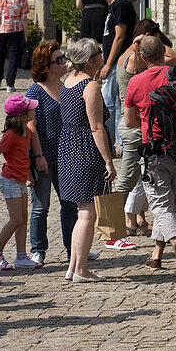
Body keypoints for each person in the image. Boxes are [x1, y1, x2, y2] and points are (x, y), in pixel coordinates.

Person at [124, 35, 176, 273]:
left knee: (160, 206)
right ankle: (157, 255)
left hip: (155, 151)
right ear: (165, 53)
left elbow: (129, 122)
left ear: (141, 57)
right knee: (171, 204)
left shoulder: (135, 82)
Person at [113, 20, 176, 244]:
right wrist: (149, 42)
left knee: (142, 178)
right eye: (156, 37)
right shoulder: (135, 58)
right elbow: (174, 58)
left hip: (131, 124)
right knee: (125, 179)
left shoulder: (127, 55)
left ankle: (136, 221)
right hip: (134, 127)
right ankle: (111, 231)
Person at [58, 38, 116, 282]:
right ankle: (81, 269)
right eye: (100, 52)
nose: (104, 54)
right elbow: (96, 127)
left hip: (69, 147)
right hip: (85, 149)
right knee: (87, 214)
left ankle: (73, 266)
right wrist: (109, 161)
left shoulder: (68, 81)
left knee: (82, 211)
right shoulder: (90, 86)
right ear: (91, 60)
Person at [25, 40, 78, 266]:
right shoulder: (34, 91)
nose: (64, 62)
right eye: (59, 60)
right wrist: (38, 156)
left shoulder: (66, 85)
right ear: (46, 66)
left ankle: (73, 249)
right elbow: (30, 127)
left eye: (63, 57)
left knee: (70, 205)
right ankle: (38, 250)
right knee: (40, 207)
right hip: (43, 156)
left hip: (65, 155)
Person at [0, 93, 41, 271]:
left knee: (23, 218)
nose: (34, 109)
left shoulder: (26, 131)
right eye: (31, 109)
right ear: (22, 116)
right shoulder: (11, 135)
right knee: (15, 219)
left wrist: (28, 174)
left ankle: (21, 256)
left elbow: (22, 157)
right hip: (10, 180)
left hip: (20, 180)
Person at [97, 0, 137, 153]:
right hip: (112, 61)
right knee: (114, 103)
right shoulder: (112, 7)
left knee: (110, 103)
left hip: (119, 61)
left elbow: (120, 37)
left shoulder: (121, 5)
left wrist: (108, 63)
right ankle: (118, 143)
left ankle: (114, 144)